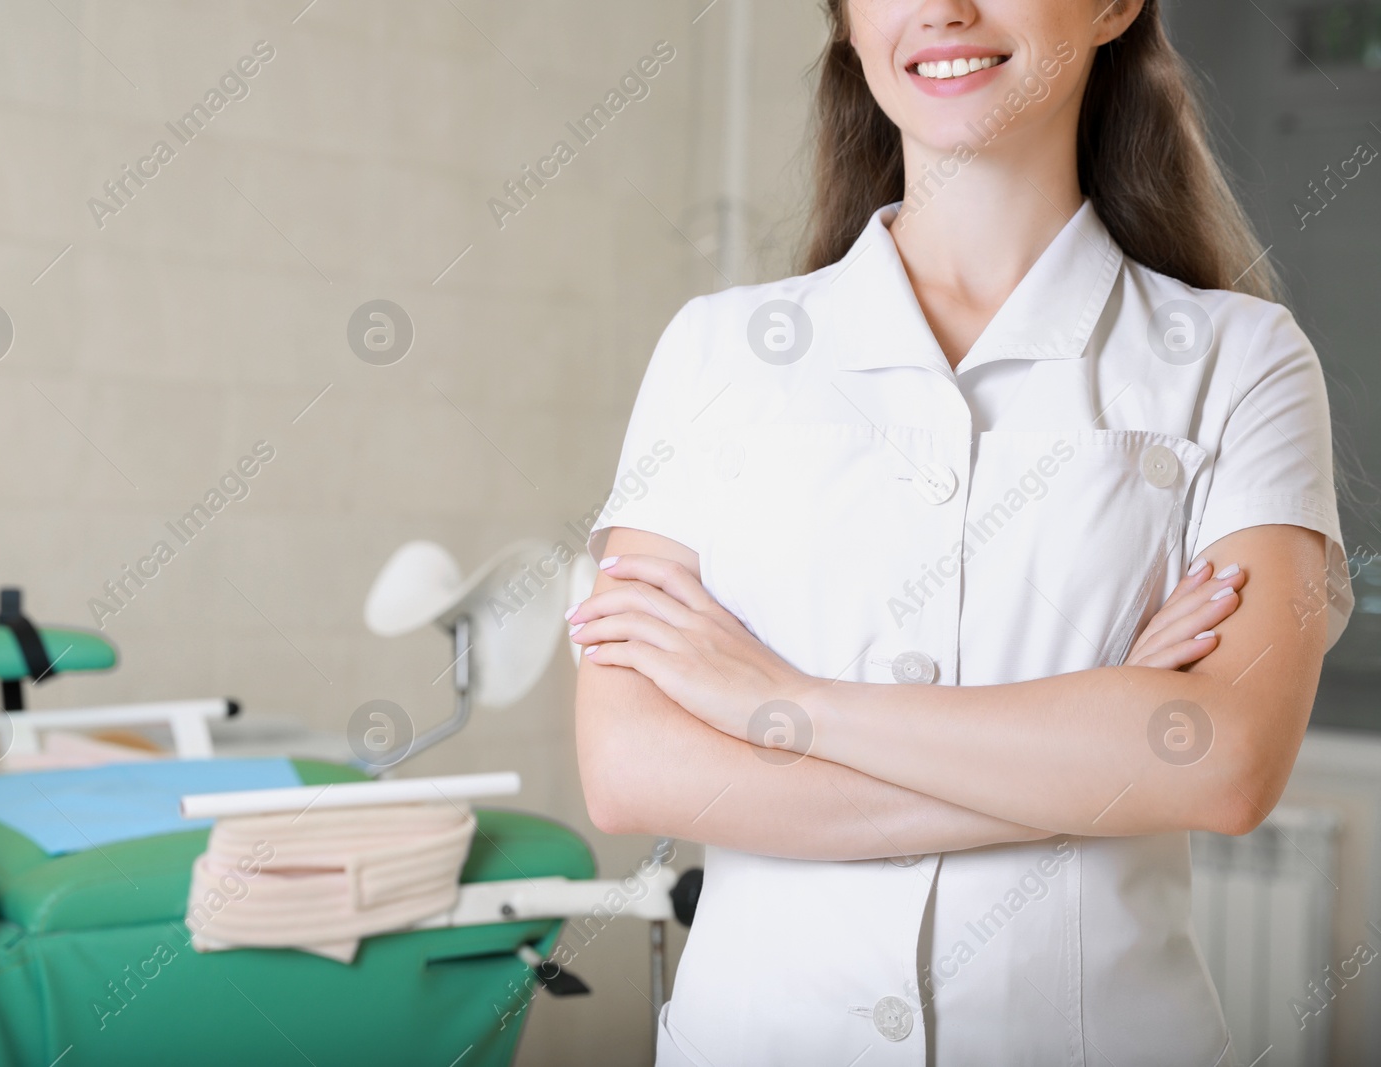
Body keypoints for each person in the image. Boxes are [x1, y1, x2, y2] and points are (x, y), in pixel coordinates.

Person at [568, 1, 1354, 1064]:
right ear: (847, 21)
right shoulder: (718, 354)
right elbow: (629, 768)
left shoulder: (1238, 360)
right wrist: (1088, 750)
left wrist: (776, 703)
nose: (943, 8)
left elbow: (1221, 761)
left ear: (1117, 5)